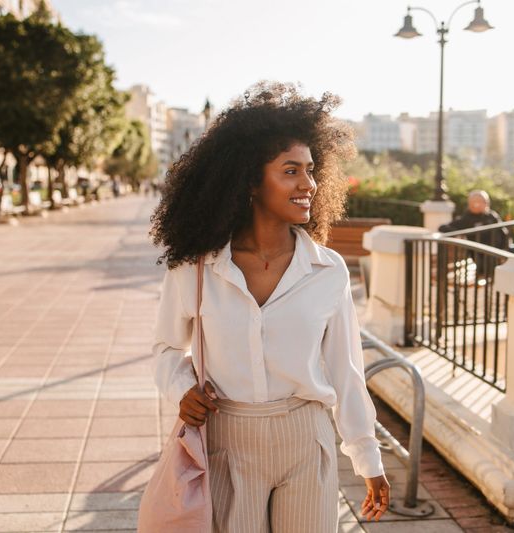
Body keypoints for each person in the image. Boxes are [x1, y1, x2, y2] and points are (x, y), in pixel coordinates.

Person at [149, 82, 390, 532]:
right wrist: (182, 389)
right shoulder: (196, 267)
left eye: (312, 170)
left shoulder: (327, 270)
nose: (309, 184)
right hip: (227, 440)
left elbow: (346, 370)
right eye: (291, 171)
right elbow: (165, 347)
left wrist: (367, 457)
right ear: (251, 182)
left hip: (306, 437)